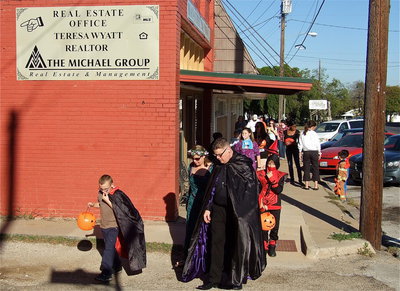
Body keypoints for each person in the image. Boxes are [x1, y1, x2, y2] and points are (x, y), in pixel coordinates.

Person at [182, 138, 266, 290]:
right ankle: (213, 278)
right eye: (216, 156)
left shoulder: (243, 164)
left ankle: (235, 279)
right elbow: (212, 188)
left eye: (220, 155)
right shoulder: (219, 166)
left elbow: (250, 191)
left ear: (228, 150)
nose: (218, 158)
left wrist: (241, 212)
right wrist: (208, 207)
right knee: (216, 242)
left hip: (237, 212)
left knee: (236, 243)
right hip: (218, 209)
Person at [88, 174, 146, 282]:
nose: (104, 191)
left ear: (112, 185)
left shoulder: (116, 194)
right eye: (101, 188)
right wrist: (93, 204)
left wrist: (107, 200)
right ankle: (117, 266)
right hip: (104, 225)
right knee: (111, 248)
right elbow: (101, 204)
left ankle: (106, 273)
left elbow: (119, 209)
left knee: (108, 249)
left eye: (106, 188)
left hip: (113, 226)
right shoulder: (101, 193)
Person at [184, 146, 213, 258]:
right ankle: (188, 257)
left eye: (197, 159)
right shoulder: (191, 166)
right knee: (190, 228)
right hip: (192, 201)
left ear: (204, 156)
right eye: (193, 158)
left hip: (205, 202)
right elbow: (191, 187)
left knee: (204, 229)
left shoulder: (211, 168)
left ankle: (203, 258)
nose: (195, 161)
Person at [258, 154, 287, 257]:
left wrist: (273, 180)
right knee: (263, 226)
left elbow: (279, 190)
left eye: (273, 164)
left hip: (275, 203)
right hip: (263, 203)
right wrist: (260, 202)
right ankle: (264, 244)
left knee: (274, 227)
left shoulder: (281, 175)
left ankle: (272, 245)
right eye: (269, 163)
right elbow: (257, 189)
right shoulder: (261, 174)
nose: (271, 165)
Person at [298, 120, 321, 190]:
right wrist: (319, 152)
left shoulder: (302, 133)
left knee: (306, 168)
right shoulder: (315, 134)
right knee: (315, 168)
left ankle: (306, 185)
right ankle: (316, 185)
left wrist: (300, 152)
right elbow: (318, 144)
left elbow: (300, 144)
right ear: (313, 127)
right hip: (314, 152)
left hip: (306, 152)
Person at [284, 121, 303, 186]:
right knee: (290, 164)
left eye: (295, 126)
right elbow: (283, 140)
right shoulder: (285, 132)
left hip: (295, 149)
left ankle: (300, 180)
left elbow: (299, 141)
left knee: (297, 164)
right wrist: (286, 143)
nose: (295, 128)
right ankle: (292, 179)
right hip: (288, 149)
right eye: (293, 126)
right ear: (290, 126)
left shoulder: (297, 132)